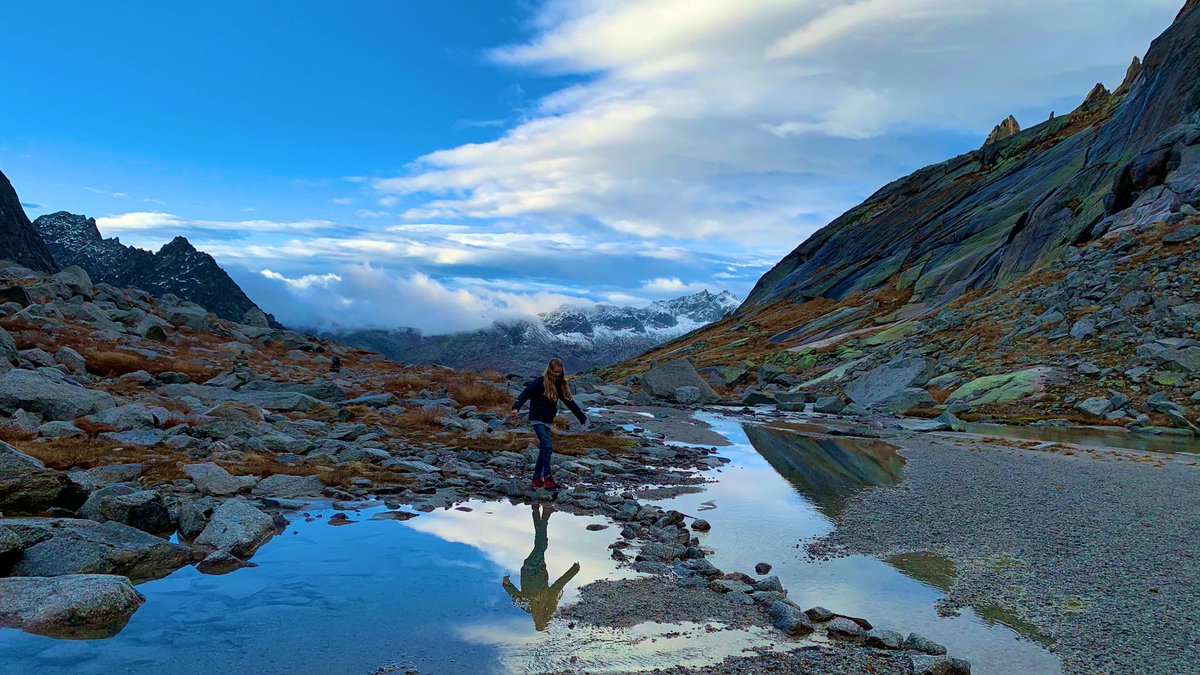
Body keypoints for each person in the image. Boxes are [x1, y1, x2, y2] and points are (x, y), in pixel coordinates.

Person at [509, 357, 587, 489]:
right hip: (537, 419)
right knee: (548, 446)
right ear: (550, 370)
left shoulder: (559, 385)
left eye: (559, 372)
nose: (557, 374)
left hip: (548, 420)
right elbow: (525, 394)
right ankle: (548, 478)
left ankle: (536, 478)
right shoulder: (539, 382)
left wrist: (582, 418)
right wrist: (516, 407)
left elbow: (569, 402)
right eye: (555, 372)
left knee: (544, 449)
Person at [502, 502, 580, 631]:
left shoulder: (528, 606)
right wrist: (573, 571)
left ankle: (544, 513)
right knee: (541, 542)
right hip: (539, 568)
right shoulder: (546, 601)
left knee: (541, 544)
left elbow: (515, 595)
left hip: (529, 568)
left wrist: (506, 584)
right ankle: (539, 512)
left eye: (542, 620)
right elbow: (559, 585)